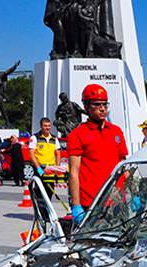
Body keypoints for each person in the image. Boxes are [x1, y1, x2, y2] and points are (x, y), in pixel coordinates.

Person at [67, 84, 128, 225]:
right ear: (87, 106)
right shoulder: (77, 134)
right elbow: (74, 173)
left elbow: (123, 167)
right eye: (97, 104)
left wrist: (133, 192)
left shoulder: (116, 131)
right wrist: (76, 205)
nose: (102, 108)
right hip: (91, 203)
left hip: (116, 200)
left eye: (105, 104)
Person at [29, 117, 62, 199]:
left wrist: (57, 167)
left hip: (51, 169)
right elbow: (31, 154)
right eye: (45, 126)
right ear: (41, 126)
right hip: (40, 168)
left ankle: (47, 210)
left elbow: (58, 153)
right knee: (40, 191)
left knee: (50, 191)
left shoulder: (54, 139)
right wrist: (38, 168)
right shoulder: (35, 138)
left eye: (49, 126)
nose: (48, 128)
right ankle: (41, 209)